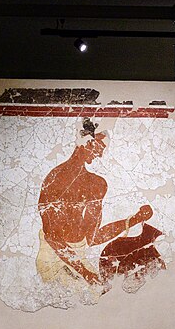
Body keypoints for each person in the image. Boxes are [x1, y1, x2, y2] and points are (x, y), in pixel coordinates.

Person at [36, 118, 158, 288]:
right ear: (87, 142)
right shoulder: (55, 180)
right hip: (54, 259)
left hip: (78, 261)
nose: (100, 154)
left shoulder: (97, 185)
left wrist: (135, 219)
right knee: (94, 292)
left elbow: (93, 238)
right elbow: (53, 237)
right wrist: (85, 273)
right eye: (100, 147)